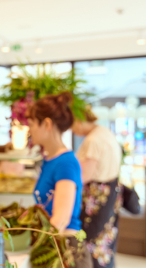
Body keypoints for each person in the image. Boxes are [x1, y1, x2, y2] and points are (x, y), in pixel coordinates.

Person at [27, 92, 92, 267]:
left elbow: (60, 220)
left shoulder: (66, 163)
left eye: (32, 124)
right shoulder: (50, 159)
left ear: (46, 124)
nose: (30, 130)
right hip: (57, 247)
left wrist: (35, 249)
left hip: (67, 250)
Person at [72, 108, 122, 268]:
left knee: (92, 242)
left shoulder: (93, 140)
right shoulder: (104, 132)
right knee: (104, 244)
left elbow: (85, 175)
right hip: (109, 195)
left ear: (78, 121)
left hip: (97, 198)